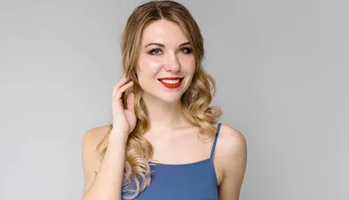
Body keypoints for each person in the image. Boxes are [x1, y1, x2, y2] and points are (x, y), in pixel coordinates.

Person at [80, 1, 247, 200]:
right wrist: (120, 135)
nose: (174, 65)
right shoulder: (99, 142)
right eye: (155, 51)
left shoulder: (227, 144)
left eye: (184, 50)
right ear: (133, 61)